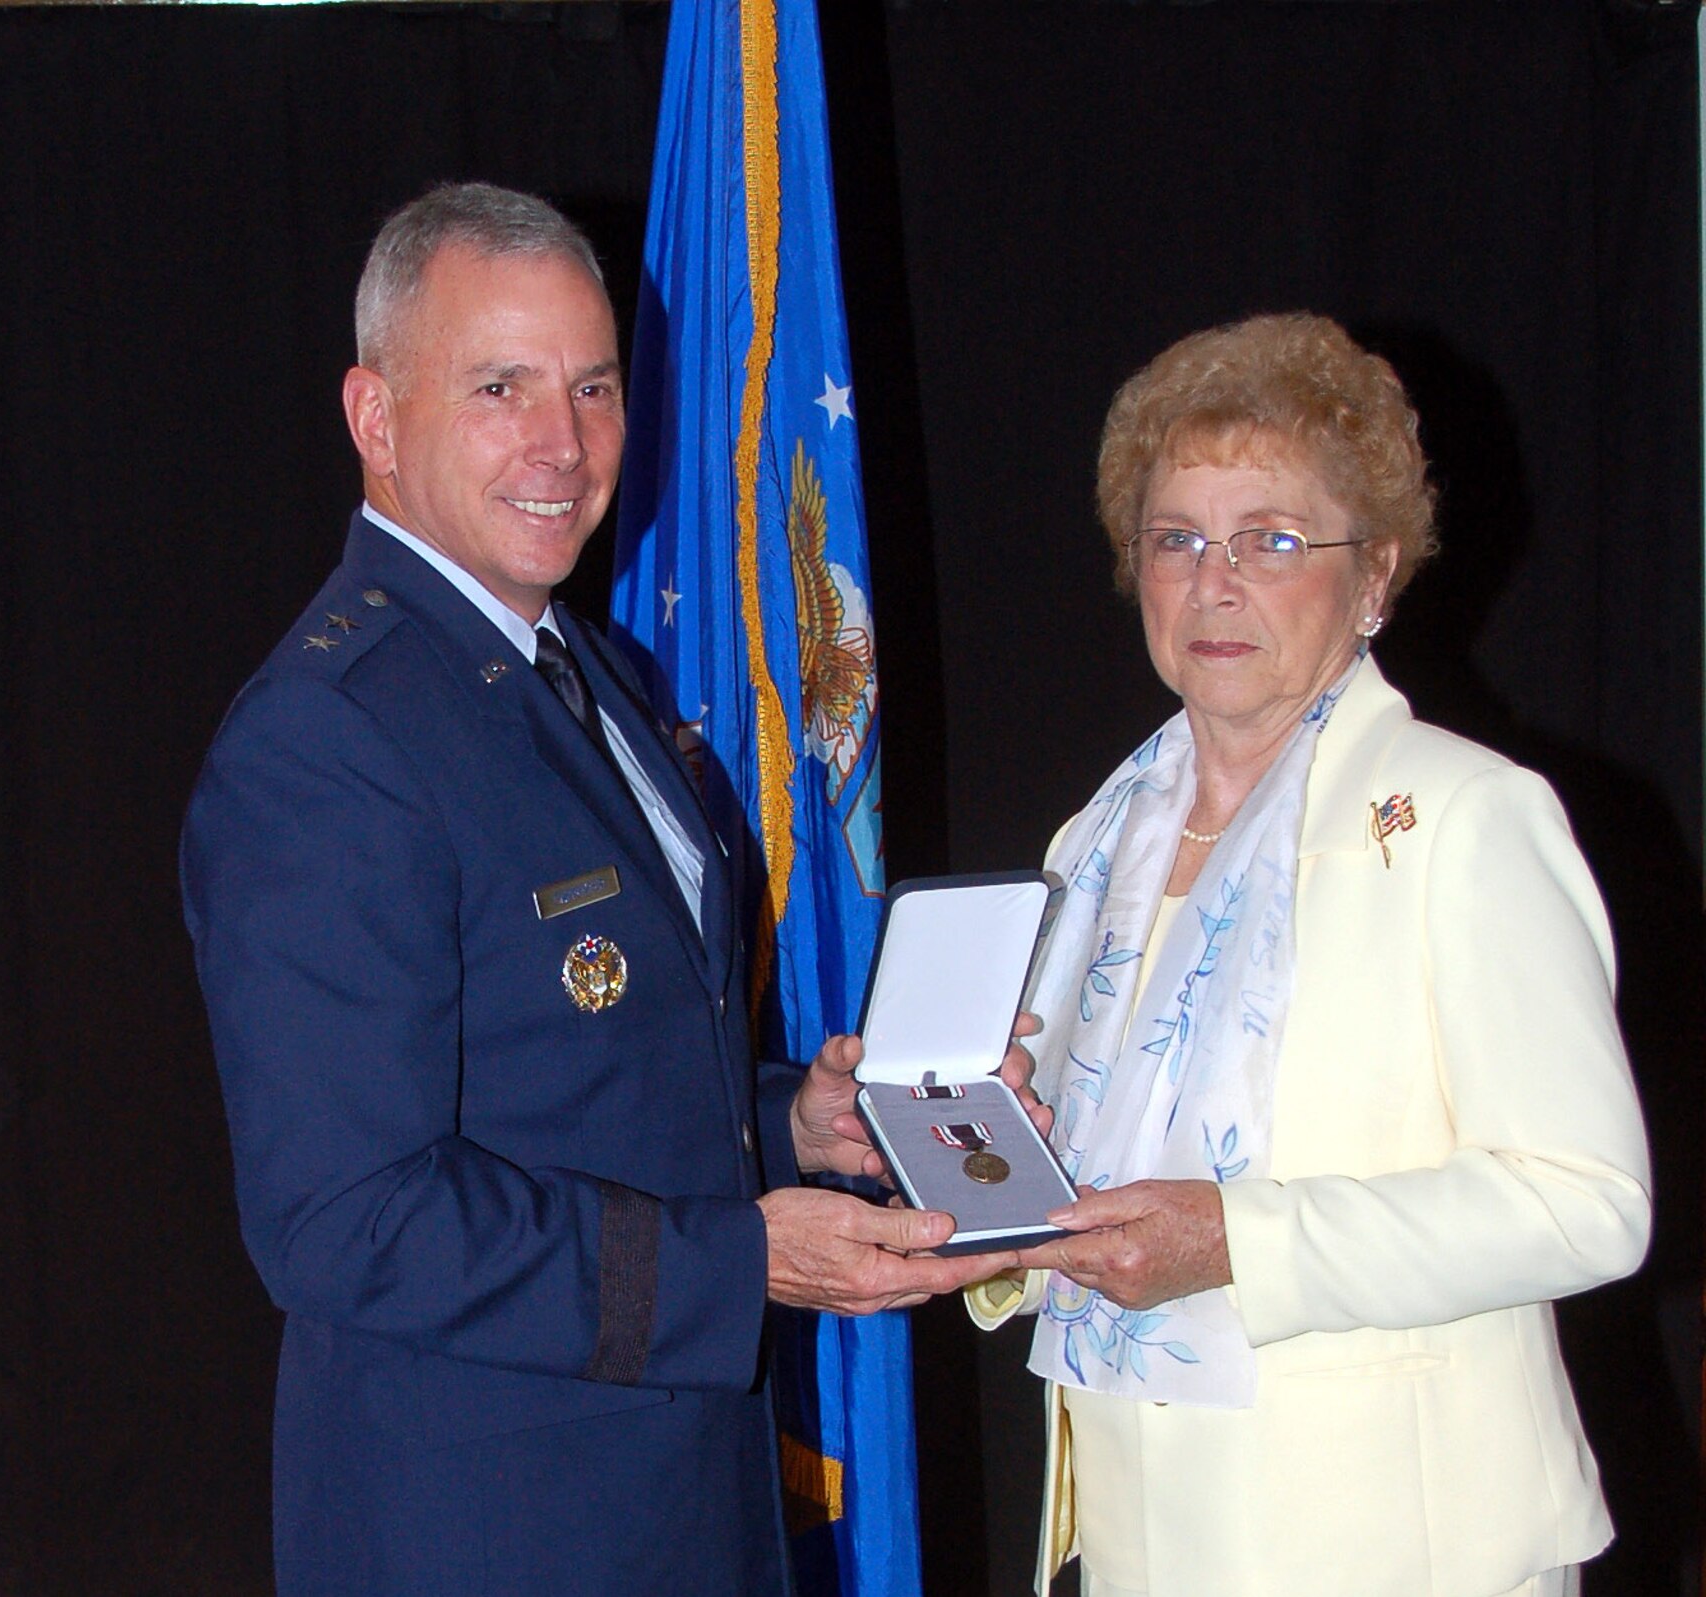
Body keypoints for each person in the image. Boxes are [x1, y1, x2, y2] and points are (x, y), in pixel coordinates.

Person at [181, 182, 1032, 1597]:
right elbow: (343, 1218)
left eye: (593, 386)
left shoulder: (583, 670)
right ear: (375, 418)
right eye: (500, 386)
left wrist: (792, 1122)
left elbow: (587, 1069)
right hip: (486, 1526)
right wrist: (734, 1266)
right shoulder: (328, 738)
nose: (563, 445)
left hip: (674, 1498)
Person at [970, 313, 1651, 1597]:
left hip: (1398, 1550)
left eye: (1272, 540)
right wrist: (981, 1156)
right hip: (1139, 1544)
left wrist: (1239, 1241)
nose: (1213, 581)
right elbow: (1078, 1156)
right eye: (1175, 539)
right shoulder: (1094, 836)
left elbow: (1586, 1200)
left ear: (1375, 575)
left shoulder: (1459, 818)